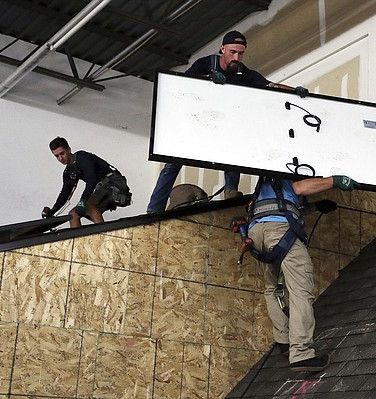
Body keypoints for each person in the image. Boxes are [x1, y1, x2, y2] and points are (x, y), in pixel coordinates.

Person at [146, 30, 310, 213]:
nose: (236, 57)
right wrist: (208, 80)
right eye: (232, 52)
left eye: (240, 53)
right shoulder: (205, 64)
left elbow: (269, 86)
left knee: (234, 147)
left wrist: (294, 91)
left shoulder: (243, 72)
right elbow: (184, 83)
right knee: (172, 162)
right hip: (194, 123)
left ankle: (231, 190)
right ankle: (154, 209)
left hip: (220, 125)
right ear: (222, 49)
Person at [247, 175, 358, 372]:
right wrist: (335, 181)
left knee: (272, 288)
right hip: (280, 230)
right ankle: (301, 353)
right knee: (300, 290)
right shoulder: (285, 171)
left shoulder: (265, 181)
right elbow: (299, 188)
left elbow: (281, 205)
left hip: (256, 232)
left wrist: (316, 207)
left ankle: (284, 341)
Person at [42, 137, 132, 228]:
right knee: (73, 215)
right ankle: (78, 239)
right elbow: (65, 193)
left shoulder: (82, 157)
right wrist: (53, 211)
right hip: (103, 186)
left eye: (62, 153)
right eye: (57, 156)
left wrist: (83, 200)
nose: (60, 158)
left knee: (88, 204)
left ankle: (102, 234)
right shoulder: (68, 172)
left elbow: (91, 179)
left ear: (69, 150)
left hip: (114, 182)